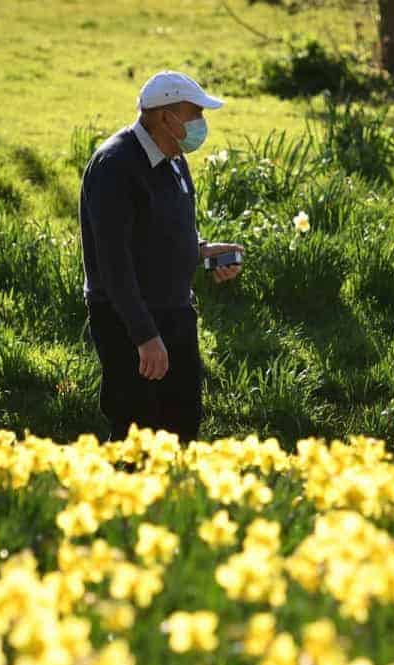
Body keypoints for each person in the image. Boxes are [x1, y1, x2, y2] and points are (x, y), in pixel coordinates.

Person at [77, 70, 244, 444]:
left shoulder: (174, 158)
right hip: (128, 319)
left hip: (175, 311)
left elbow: (160, 230)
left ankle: (174, 486)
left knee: (183, 422)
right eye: (195, 113)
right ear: (167, 118)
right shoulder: (115, 165)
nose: (201, 123)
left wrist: (201, 251)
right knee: (137, 430)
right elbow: (113, 263)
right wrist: (145, 336)